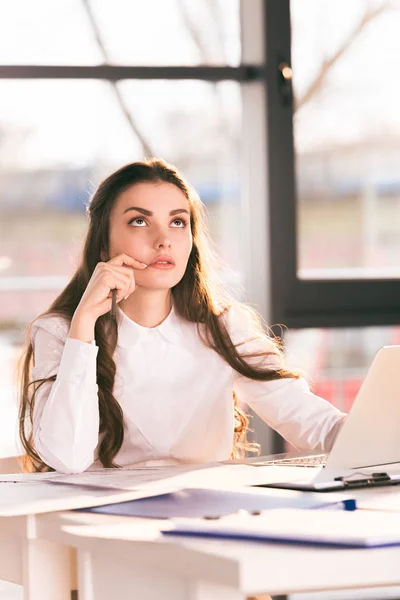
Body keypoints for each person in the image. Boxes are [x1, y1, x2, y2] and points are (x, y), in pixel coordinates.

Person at [18, 158, 346, 474]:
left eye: (178, 222)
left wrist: (376, 436)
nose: (163, 241)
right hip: (103, 520)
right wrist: (84, 325)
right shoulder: (61, 331)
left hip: (206, 514)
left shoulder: (224, 328)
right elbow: (68, 456)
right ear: (103, 245)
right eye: (139, 221)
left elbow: (312, 422)